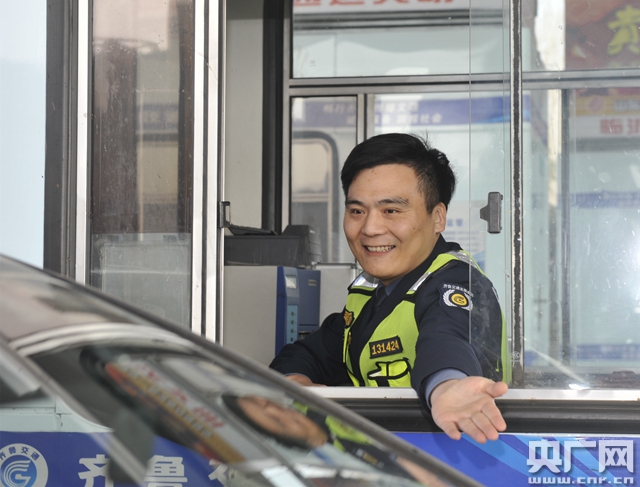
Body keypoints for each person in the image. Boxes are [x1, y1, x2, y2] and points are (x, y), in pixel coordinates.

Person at [270, 133, 510, 443]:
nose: (370, 228)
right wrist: (297, 382)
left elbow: (447, 337)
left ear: (438, 218)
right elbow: (311, 353)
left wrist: (447, 386)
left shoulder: (456, 283)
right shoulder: (371, 292)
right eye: (357, 211)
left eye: (391, 211)